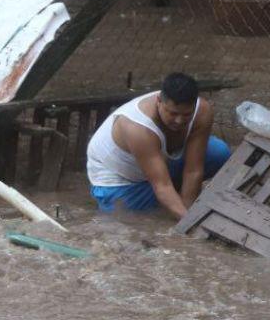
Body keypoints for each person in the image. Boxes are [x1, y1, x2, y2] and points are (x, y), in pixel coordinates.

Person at [86, 73, 231, 219]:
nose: (179, 121)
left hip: (159, 164)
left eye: (187, 115)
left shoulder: (202, 111)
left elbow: (193, 171)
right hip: (120, 181)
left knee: (218, 153)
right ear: (159, 101)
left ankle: (172, 199)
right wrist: (188, 222)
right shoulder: (138, 128)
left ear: (194, 105)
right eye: (172, 113)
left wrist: (188, 215)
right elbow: (163, 186)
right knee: (127, 215)